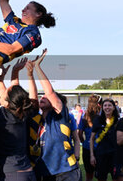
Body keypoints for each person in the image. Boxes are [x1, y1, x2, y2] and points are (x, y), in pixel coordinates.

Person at [32, 49, 81, 181]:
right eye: (41, 97)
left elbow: (49, 92)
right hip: (46, 172)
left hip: (66, 171)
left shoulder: (60, 116)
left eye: (46, 98)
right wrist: (29, 74)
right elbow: (33, 98)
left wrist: (37, 67)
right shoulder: (38, 119)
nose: (43, 97)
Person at [90, 99, 119, 181]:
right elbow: (92, 139)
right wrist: (92, 156)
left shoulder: (118, 121)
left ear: (114, 107)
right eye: (105, 105)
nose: (107, 107)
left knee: (116, 178)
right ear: (102, 108)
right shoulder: (98, 120)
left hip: (115, 156)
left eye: (109, 105)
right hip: (101, 155)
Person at [78, 94, 101, 181]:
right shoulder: (100, 117)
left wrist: (84, 142)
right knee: (100, 175)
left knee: (89, 175)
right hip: (99, 148)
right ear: (98, 104)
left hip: (87, 148)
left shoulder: (85, 117)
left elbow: (79, 133)